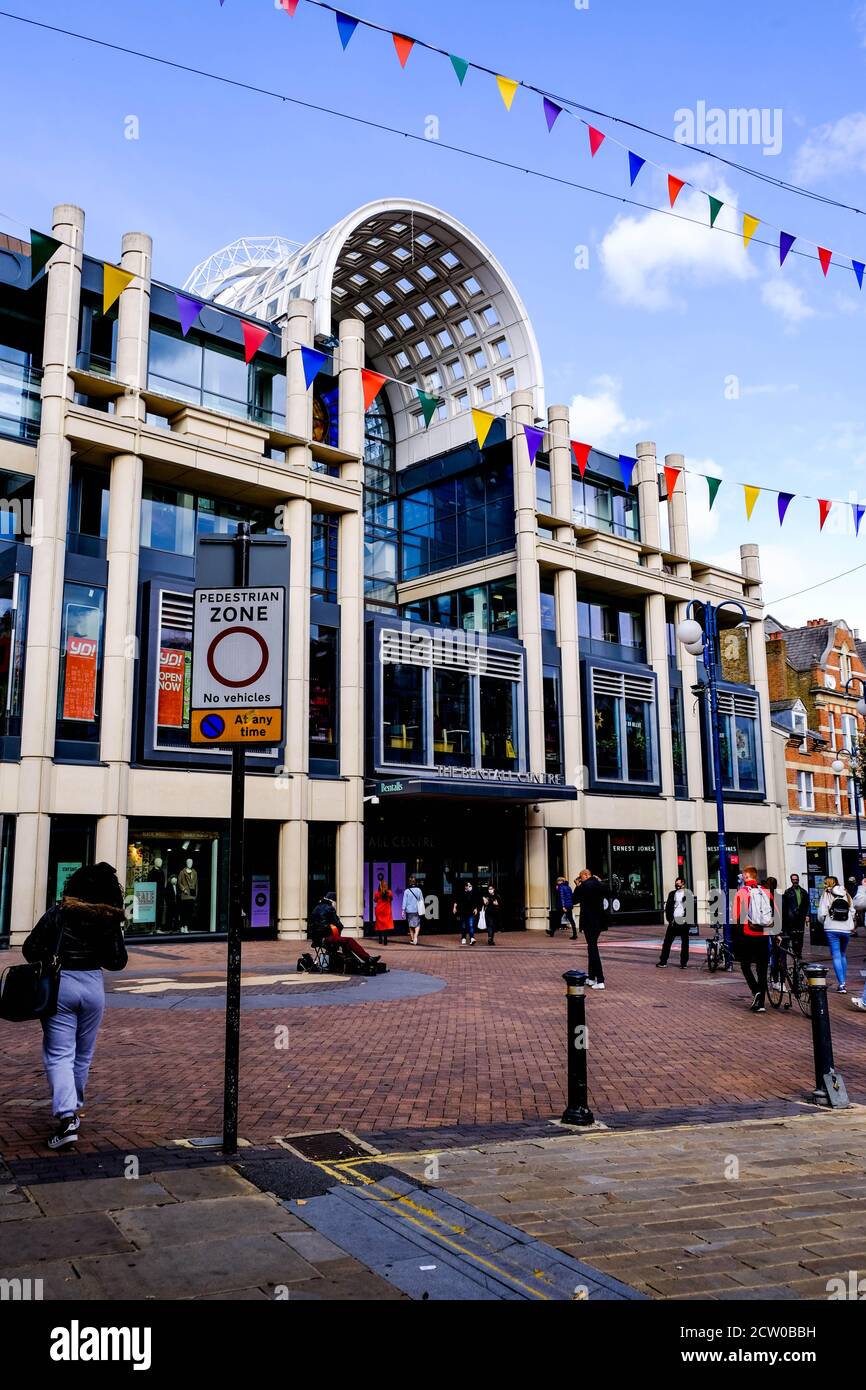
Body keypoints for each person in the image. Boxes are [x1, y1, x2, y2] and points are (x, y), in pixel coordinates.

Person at [21, 862, 128, 1150]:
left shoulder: (59, 913)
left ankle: (67, 1117)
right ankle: (73, 1109)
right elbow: (117, 961)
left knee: (59, 1054)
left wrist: (50, 956)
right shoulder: (108, 918)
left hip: (61, 983)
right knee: (83, 1054)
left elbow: (30, 947)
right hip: (93, 985)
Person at [733, 865, 777, 1013]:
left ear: (745, 876)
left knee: (745, 965)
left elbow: (738, 917)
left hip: (748, 934)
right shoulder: (765, 892)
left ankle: (756, 990)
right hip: (764, 934)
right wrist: (776, 934)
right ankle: (761, 1003)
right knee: (762, 968)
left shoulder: (742, 893)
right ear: (756, 876)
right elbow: (775, 913)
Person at [308, 892, 381, 971]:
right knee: (348, 940)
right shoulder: (330, 908)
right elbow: (339, 925)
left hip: (316, 940)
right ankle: (367, 959)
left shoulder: (316, 908)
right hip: (325, 939)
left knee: (344, 942)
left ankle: (352, 963)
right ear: (333, 901)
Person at [572, 869, 608, 990]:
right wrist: (601, 883)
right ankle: (592, 978)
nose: (580, 879)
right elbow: (611, 893)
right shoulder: (598, 884)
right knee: (591, 947)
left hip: (588, 922)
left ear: (585, 875)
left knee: (592, 949)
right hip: (599, 922)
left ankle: (600, 979)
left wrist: (577, 886)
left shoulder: (584, 886)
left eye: (580, 877)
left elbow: (574, 900)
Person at [817, 876, 854, 993]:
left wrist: (826, 922)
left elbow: (821, 913)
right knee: (843, 954)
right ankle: (844, 982)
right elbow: (852, 911)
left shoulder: (826, 894)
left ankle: (842, 984)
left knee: (836, 955)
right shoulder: (846, 894)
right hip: (846, 929)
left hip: (832, 929)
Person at [656, 877, 694, 968]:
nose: (677, 885)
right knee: (667, 942)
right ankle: (663, 961)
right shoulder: (672, 894)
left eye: (679, 884)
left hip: (683, 922)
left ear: (683, 884)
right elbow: (668, 907)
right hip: (674, 922)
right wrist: (670, 920)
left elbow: (691, 909)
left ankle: (684, 963)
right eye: (676, 883)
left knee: (685, 943)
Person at [781, 873, 809, 959]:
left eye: (796, 879)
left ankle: (798, 952)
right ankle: (794, 952)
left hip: (800, 917)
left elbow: (807, 904)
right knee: (793, 936)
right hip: (791, 918)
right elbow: (785, 906)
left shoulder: (803, 891)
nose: (795, 881)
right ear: (791, 880)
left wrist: (807, 915)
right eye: (793, 879)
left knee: (800, 936)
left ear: (798, 880)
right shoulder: (788, 892)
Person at [452, 879, 478, 945]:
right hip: (463, 912)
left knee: (471, 925)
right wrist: (454, 908)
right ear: (465, 886)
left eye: (470, 886)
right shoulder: (461, 893)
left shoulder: (473, 893)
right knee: (463, 926)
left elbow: (475, 902)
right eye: (467, 886)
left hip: (471, 912)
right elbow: (456, 901)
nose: (469, 887)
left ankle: (472, 938)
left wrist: (476, 909)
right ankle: (463, 938)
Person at [402, 876, 426, 946]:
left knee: (410, 925)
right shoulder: (419, 890)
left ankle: (412, 939)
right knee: (417, 924)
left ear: (409, 882)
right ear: (415, 882)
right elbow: (421, 900)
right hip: (416, 910)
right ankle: (416, 936)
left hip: (409, 910)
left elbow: (404, 901)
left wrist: (403, 910)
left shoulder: (406, 891)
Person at [373, 872, 394, 947]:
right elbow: (391, 899)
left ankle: (380, 939)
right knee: (385, 925)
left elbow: (375, 900)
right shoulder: (389, 892)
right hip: (387, 911)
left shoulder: (377, 893)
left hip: (379, 910)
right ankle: (385, 939)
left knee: (379, 924)